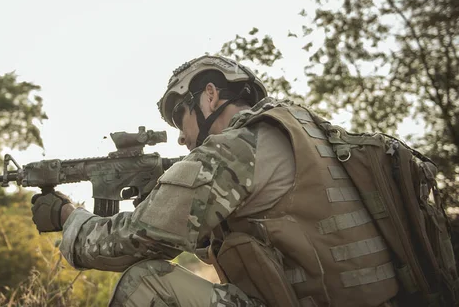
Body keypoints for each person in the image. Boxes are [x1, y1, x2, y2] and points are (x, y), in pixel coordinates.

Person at [31, 55, 399, 307]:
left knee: (148, 282)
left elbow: (132, 243)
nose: (180, 136)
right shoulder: (306, 128)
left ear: (209, 95)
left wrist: (66, 216)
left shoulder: (237, 148)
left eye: (180, 116)